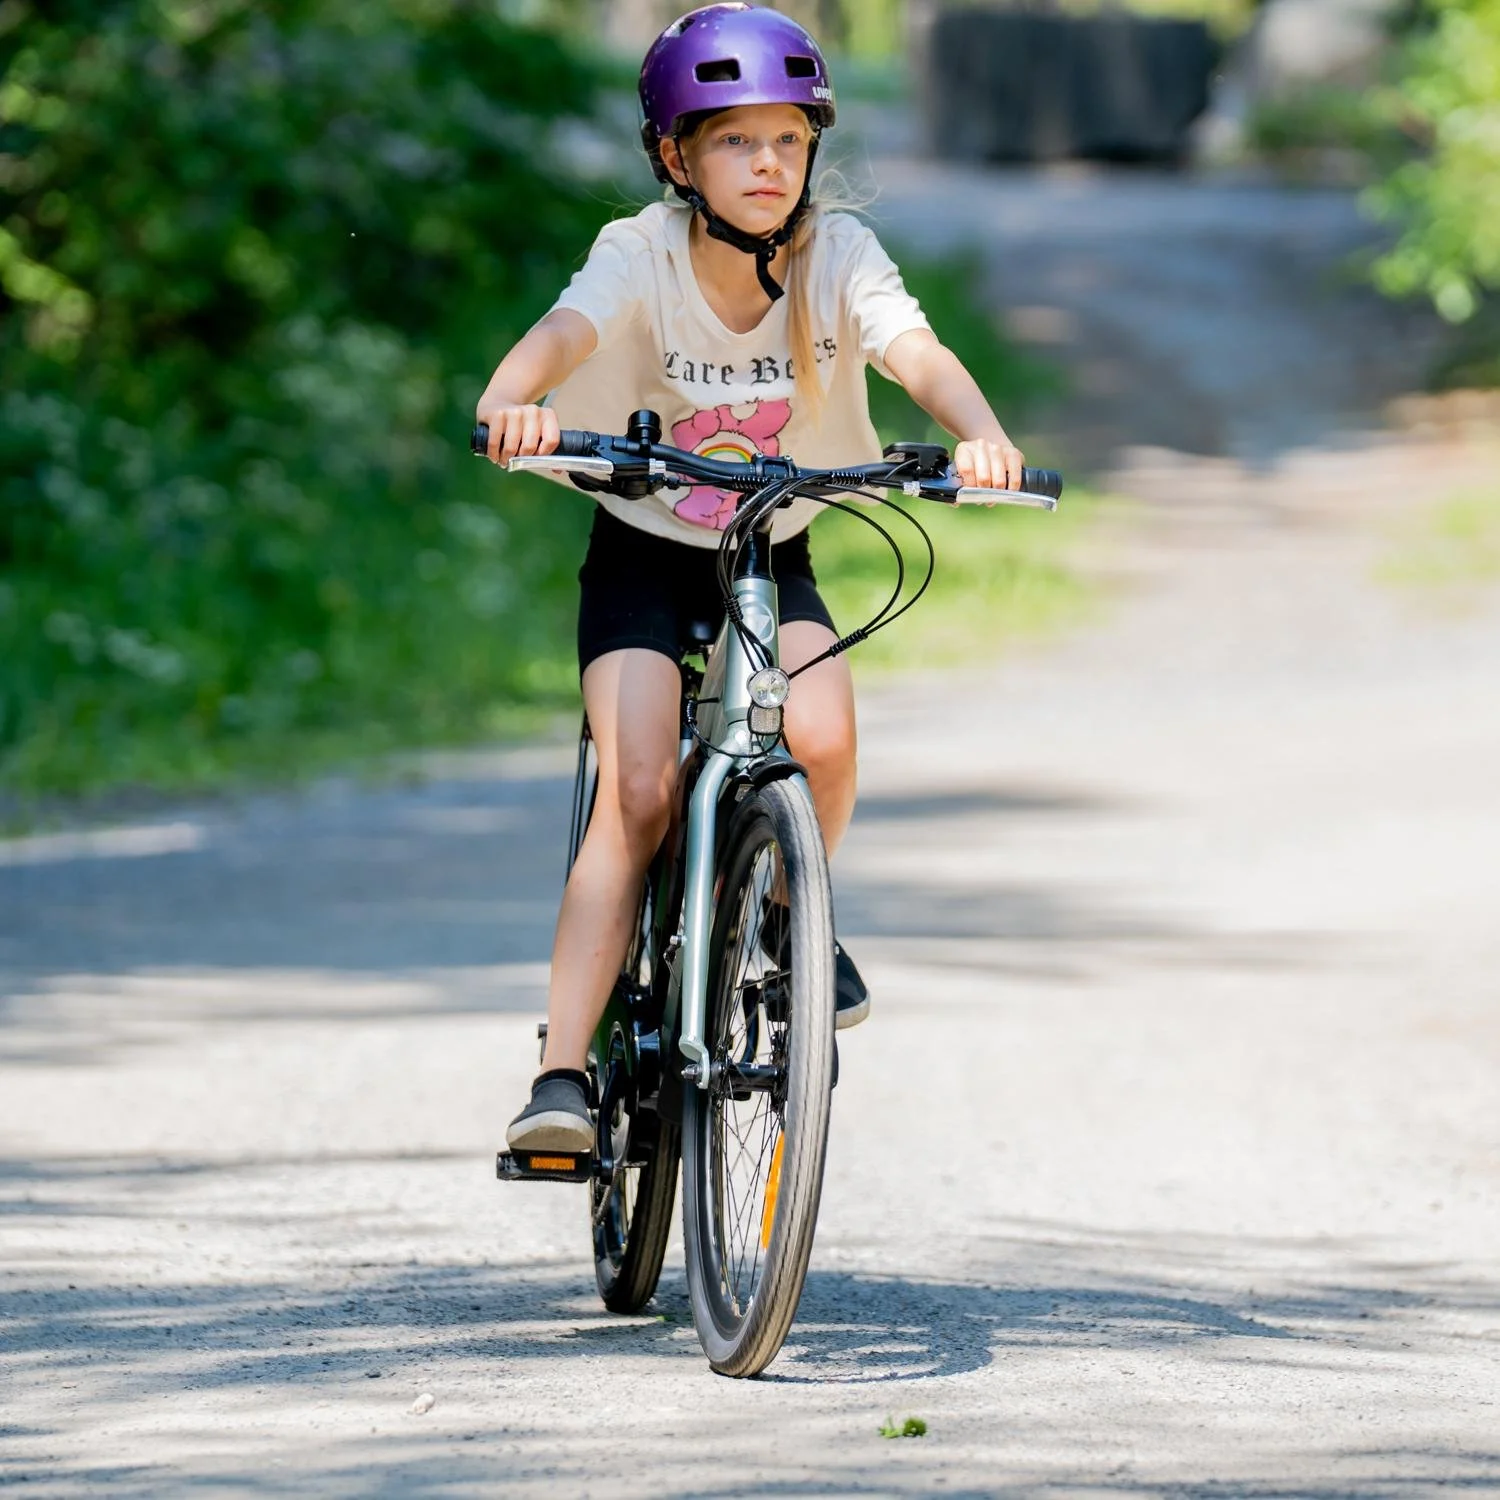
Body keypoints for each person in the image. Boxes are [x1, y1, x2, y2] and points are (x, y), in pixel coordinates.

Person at [477, 3, 1026, 1153]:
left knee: (823, 739)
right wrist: (510, 397)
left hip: (772, 546)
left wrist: (979, 433)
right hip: (642, 546)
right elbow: (568, 331)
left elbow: (913, 348)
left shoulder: (839, 254)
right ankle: (562, 1077)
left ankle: (784, 912)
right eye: (735, 140)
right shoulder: (640, 253)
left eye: (788, 138)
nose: (768, 162)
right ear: (678, 157)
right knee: (637, 787)